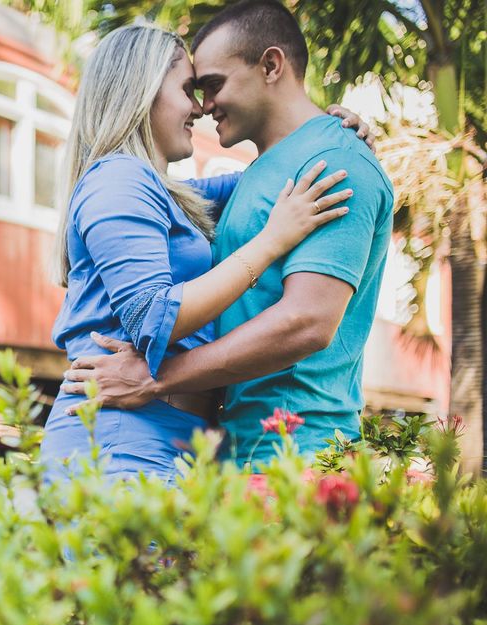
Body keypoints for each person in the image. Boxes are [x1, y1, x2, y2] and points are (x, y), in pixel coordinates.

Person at [41, 19, 369, 482]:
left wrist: (333, 132)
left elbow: (269, 178)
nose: (200, 108)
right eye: (188, 89)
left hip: (164, 434)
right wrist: (272, 240)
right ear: (141, 91)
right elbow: (154, 317)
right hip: (121, 437)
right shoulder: (118, 178)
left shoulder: (170, 193)